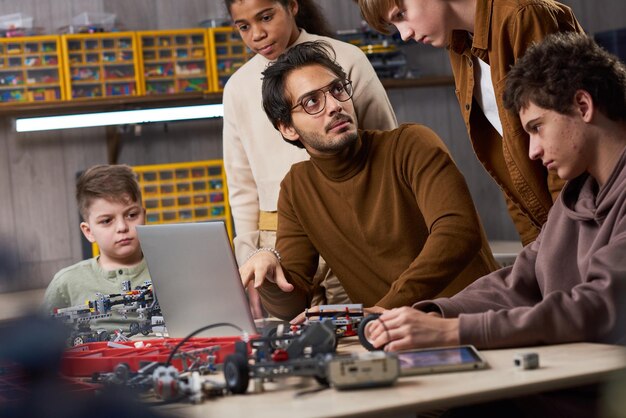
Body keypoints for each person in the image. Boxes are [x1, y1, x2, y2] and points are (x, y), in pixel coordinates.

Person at [365, 32, 626, 353]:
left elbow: (600, 307)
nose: (533, 151)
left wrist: (454, 332)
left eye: (537, 127)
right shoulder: (577, 194)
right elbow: (516, 282)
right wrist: (430, 314)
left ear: (583, 105)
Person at [240, 41, 498, 322]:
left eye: (337, 89)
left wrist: (384, 310)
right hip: (393, 338)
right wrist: (267, 273)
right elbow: (293, 302)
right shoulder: (296, 188)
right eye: (312, 101)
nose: (336, 106)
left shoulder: (411, 144)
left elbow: (458, 232)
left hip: (477, 320)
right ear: (288, 128)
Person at [357, 0, 585, 246]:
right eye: (394, 24)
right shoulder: (457, 44)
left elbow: (565, 142)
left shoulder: (522, 14)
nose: (404, 34)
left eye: (401, 14)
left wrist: (558, 246)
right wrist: (534, 248)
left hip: (586, 216)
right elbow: (508, 163)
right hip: (554, 229)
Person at [222, 0, 398, 317]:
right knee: (292, 344)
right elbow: (241, 185)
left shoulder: (346, 59)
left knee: (362, 327)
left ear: (292, 6)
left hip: (350, 227)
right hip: (276, 243)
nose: (257, 35)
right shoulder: (237, 88)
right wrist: (249, 257)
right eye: (244, 26)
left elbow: (388, 149)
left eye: (266, 17)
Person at [43, 164, 150, 331]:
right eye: (107, 220)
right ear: (88, 231)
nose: (122, 227)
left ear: (144, 216)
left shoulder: (174, 271)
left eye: (131, 215)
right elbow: (43, 343)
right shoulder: (66, 284)